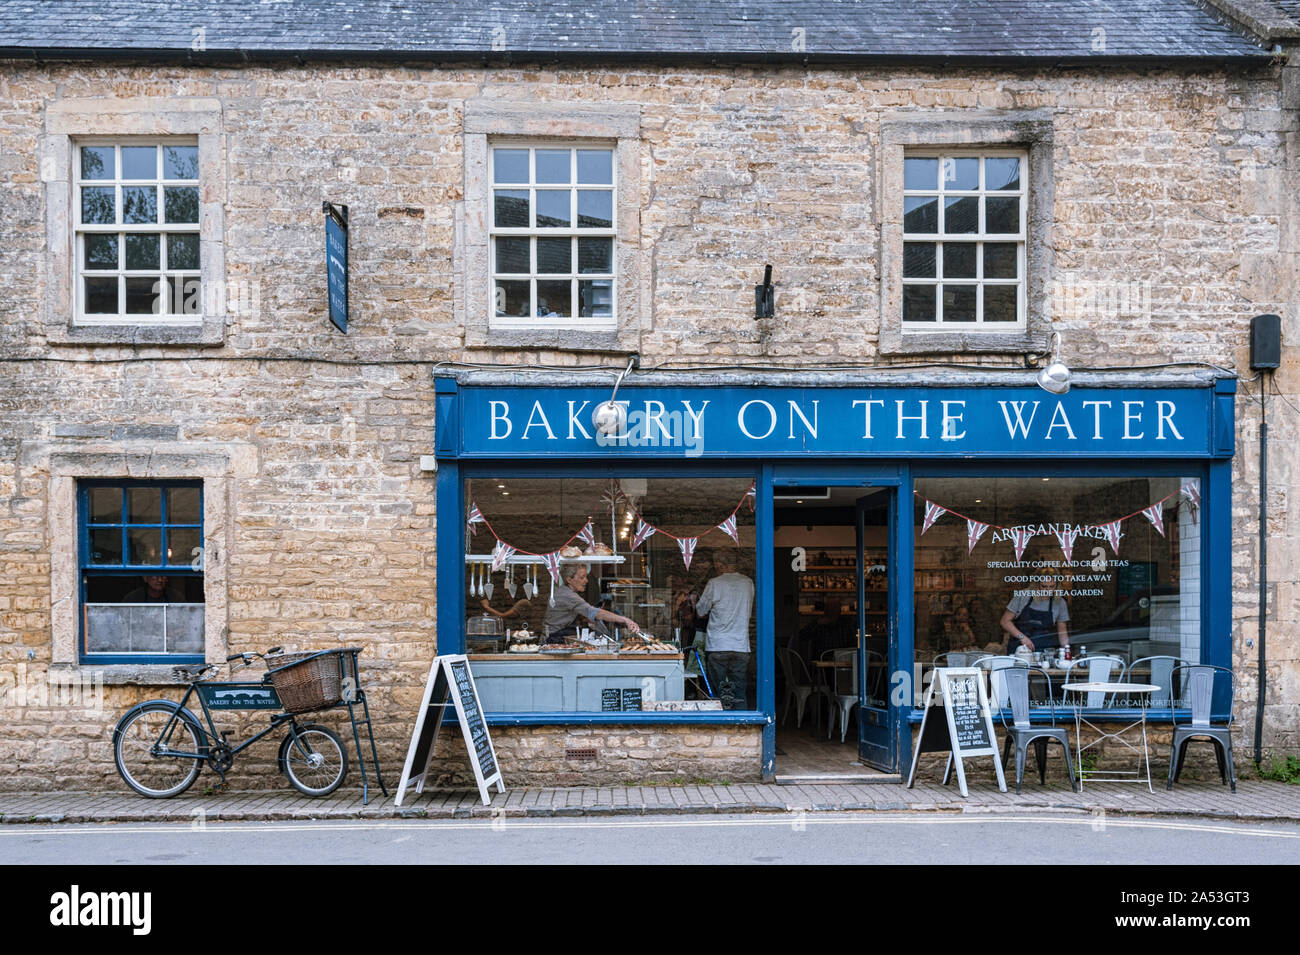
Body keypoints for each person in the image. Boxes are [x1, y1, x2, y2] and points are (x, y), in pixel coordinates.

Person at [695, 550, 754, 710]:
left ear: (720, 565)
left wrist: (695, 600)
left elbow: (700, 611)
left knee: (718, 693)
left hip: (718, 645)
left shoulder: (715, 583)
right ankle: (742, 728)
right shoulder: (748, 582)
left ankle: (721, 727)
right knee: (739, 692)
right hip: (741, 645)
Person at [542, 563, 642, 643]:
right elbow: (594, 612)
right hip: (553, 639)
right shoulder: (567, 595)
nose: (586, 581)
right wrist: (624, 619)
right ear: (569, 580)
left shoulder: (566, 592)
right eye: (582, 577)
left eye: (586, 577)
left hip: (556, 635)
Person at [1000, 592, 1070, 654]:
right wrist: (1022, 637)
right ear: (1036, 584)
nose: (1048, 590)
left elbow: (1062, 633)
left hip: (1044, 652)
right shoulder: (1022, 597)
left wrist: (1066, 652)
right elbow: (1005, 621)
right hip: (1020, 651)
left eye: (1052, 587)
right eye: (1044, 586)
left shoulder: (1060, 602)